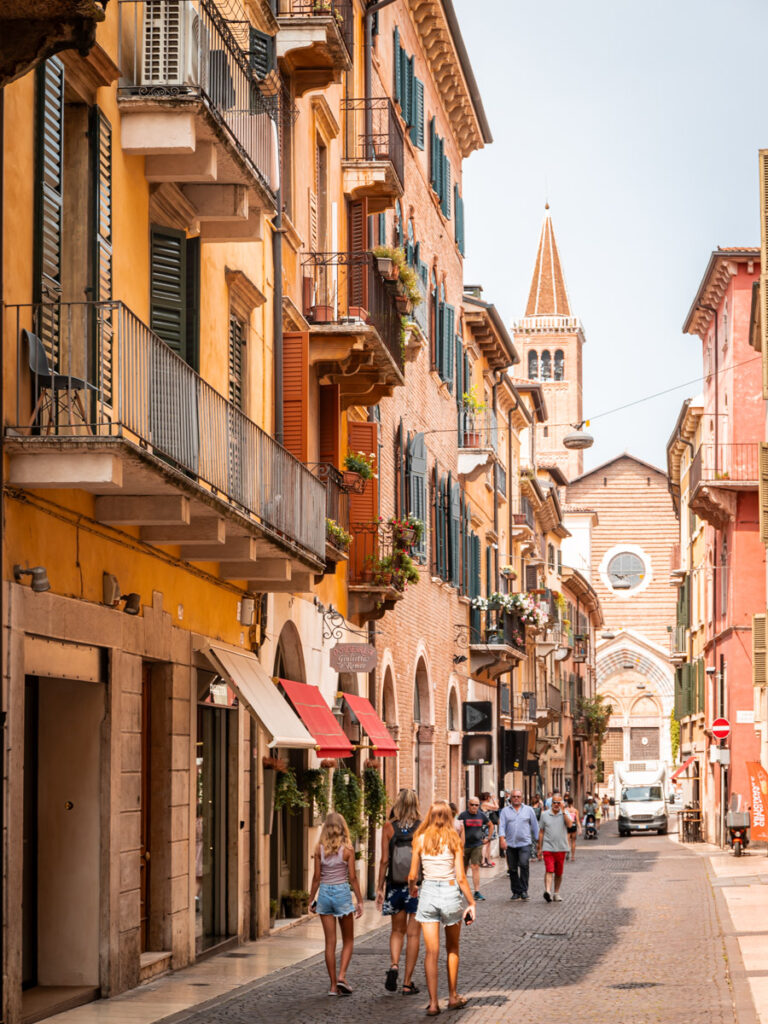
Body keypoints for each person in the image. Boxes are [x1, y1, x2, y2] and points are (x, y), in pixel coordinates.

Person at [409, 801, 476, 1016]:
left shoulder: (419, 839)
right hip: (449, 893)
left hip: (427, 892)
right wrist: (471, 902)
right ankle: (453, 996)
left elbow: (412, 875)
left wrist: (413, 888)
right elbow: (461, 877)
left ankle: (432, 1003)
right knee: (452, 948)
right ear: (448, 817)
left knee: (431, 951)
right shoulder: (454, 839)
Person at [308, 812, 364, 996]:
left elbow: (316, 877)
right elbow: (353, 878)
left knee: (329, 943)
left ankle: (333, 986)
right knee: (348, 940)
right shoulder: (347, 849)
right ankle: (342, 976)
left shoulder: (319, 849)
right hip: (341, 893)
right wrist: (360, 900)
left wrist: (310, 899)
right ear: (342, 828)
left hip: (324, 893)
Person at [375, 789, 422, 996]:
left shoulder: (388, 827)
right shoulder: (422, 827)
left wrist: (379, 887)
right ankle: (407, 983)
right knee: (413, 935)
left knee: (396, 931)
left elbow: (384, 860)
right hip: (416, 887)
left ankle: (394, 965)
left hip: (394, 885)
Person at [497, 789, 539, 900]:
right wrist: (502, 839)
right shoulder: (505, 811)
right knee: (512, 869)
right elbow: (501, 826)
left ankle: (524, 890)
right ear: (510, 798)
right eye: (514, 796)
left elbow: (535, 826)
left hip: (525, 843)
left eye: (518, 796)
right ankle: (516, 891)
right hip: (510, 844)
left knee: (524, 865)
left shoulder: (529, 810)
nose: (516, 798)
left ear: (522, 798)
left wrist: (539, 842)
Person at [457, 796, 493, 901]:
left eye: (476, 805)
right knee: (463, 868)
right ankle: (460, 889)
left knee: (475, 866)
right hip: (464, 846)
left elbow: (490, 825)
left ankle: (477, 891)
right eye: (472, 804)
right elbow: (457, 828)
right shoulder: (463, 815)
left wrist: (488, 838)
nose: (474, 807)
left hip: (477, 845)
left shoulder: (481, 816)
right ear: (468, 805)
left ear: (479, 806)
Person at [536, 791, 570, 902]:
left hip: (561, 848)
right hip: (548, 847)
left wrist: (564, 811)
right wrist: (539, 847)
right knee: (549, 869)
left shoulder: (565, 813)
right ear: (551, 803)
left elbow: (569, 825)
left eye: (558, 803)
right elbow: (541, 831)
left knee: (559, 873)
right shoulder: (544, 814)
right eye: (554, 802)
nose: (556, 804)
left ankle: (556, 892)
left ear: (561, 803)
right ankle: (548, 891)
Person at [480, 791, 499, 866]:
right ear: (486, 797)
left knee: (488, 843)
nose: (490, 798)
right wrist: (494, 799)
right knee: (485, 843)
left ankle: (488, 860)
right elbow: (496, 807)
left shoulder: (483, 804)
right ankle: (483, 861)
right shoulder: (484, 804)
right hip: (486, 826)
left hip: (487, 825)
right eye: (489, 797)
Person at [564, 795, 579, 861]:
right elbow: (577, 820)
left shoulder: (565, 810)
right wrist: (580, 828)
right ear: (573, 802)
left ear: (567, 802)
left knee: (567, 841)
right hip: (573, 825)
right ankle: (573, 856)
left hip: (567, 826)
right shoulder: (575, 810)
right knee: (573, 841)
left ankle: (567, 850)